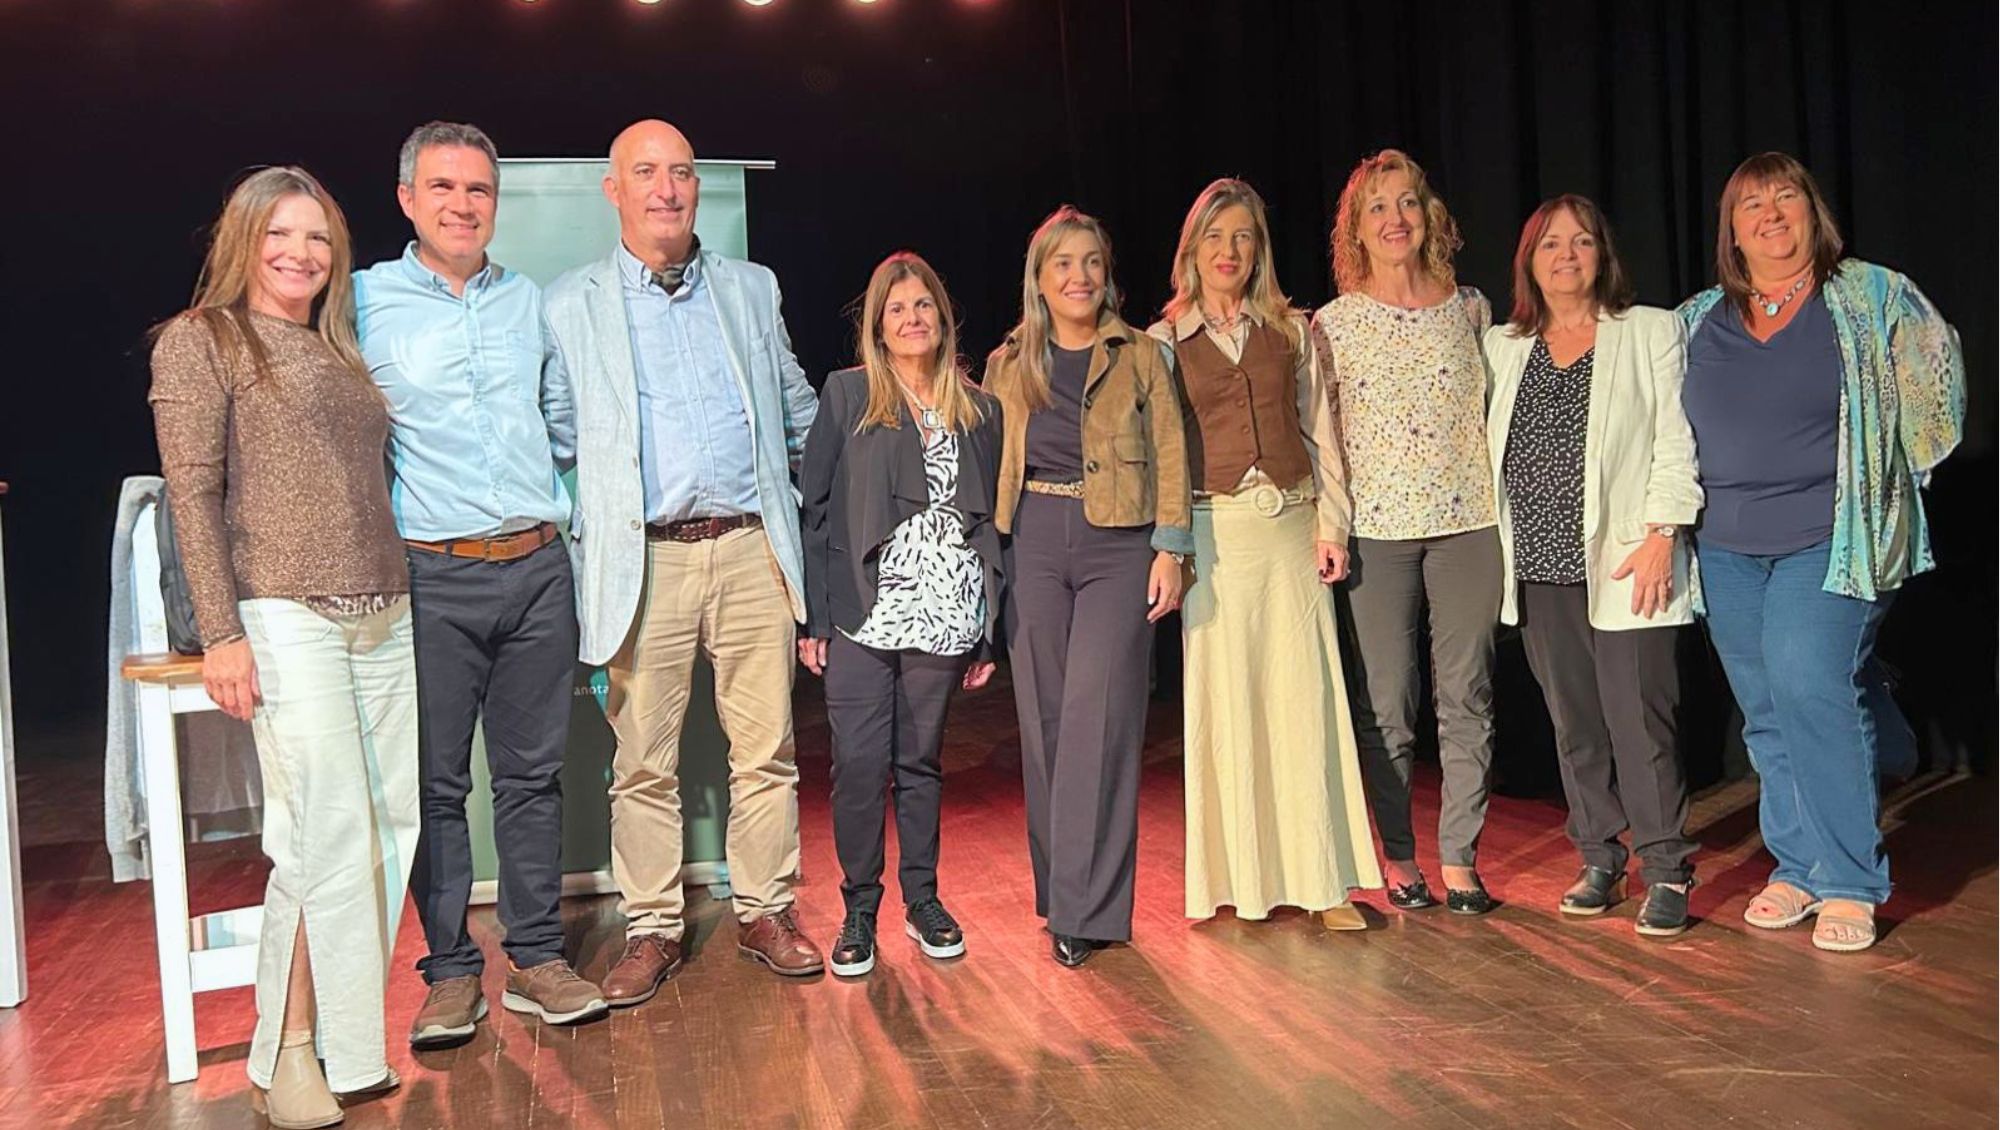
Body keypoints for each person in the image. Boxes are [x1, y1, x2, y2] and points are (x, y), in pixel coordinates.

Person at [149, 166, 416, 1128]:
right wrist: (221, 632)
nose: (301, 254)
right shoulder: (202, 340)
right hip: (283, 611)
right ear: (244, 239)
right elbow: (193, 495)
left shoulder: (339, 353)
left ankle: (343, 1046)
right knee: (322, 835)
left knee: (389, 833)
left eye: (318, 240)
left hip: (385, 608)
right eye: (282, 235)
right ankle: (289, 1047)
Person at [543, 119, 823, 995]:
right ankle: (654, 929)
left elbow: (795, 407)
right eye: (647, 173)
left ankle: (766, 909)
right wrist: (585, 527)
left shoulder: (751, 288)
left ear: (697, 186)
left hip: (749, 551)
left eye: (682, 173)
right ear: (613, 189)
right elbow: (553, 438)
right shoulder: (567, 303)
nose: (667, 188)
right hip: (644, 564)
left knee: (767, 750)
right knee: (642, 762)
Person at [354, 121, 606, 1046]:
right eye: (444, 188)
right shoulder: (364, 301)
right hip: (432, 576)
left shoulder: (525, 301)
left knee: (533, 779)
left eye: (479, 190)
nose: (463, 205)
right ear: (408, 199)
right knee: (435, 786)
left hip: (538, 568)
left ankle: (538, 957)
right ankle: (451, 971)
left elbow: (563, 422)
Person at [1678, 153, 1964, 953]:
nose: (1770, 214)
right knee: (1767, 707)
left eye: (1785, 197)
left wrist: (1895, 483)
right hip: (1727, 547)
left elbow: (1938, 394)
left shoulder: (1870, 295)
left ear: (1813, 212)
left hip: (1831, 540)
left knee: (1807, 681)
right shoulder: (1697, 317)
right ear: (1730, 230)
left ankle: (1848, 879)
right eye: (1750, 205)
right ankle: (1797, 863)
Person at [1145, 179, 1382, 929]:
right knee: (1228, 704)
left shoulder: (1293, 328)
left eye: (1243, 237)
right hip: (1215, 538)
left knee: (1305, 702)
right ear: (1192, 249)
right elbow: (1163, 456)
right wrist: (1170, 548)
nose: (1230, 251)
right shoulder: (1163, 341)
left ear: (1260, 249)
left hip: (1290, 526)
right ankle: (1240, 878)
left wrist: (1333, 528)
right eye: (1215, 237)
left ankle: (1325, 883)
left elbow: (1321, 434)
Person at [1484, 195, 1702, 937]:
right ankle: (1600, 857)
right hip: (1541, 568)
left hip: (1628, 560)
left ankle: (1667, 868)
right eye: (1551, 246)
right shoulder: (1503, 346)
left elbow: (1677, 437)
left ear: (1603, 254)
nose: (1567, 257)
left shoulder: (1648, 331)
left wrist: (1663, 531)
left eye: (1581, 243)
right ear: (1530, 263)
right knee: (1574, 722)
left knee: (1640, 718)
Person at [983, 206, 1192, 967]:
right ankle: (1061, 894)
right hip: (1033, 539)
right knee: (1043, 725)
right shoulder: (1009, 362)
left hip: (1118, 545)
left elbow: (1172, 451)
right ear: (1039, 278)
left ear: (1108, 275)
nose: (1079, 276)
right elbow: (986, 464)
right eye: (1063, 263)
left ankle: (1089, 910)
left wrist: (1171, 549)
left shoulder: (1139, 354)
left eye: (1092, 262)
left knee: (1098, 719)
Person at [798, 252, 1003, 976]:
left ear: (943, 320)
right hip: (863, 612)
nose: (912, 319)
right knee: (858, 766)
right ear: (878, 328)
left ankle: (923, 900)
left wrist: (987, 624)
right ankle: (860, 908)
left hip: (947, 612)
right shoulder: (849, 396)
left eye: (924, 306)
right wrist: (815, 618)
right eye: (897, 309)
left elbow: (986, 526)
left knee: (919, 763)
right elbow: (815, 511)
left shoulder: (981, 410)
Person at [1310, 149, 1502, 915]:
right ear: (1357, 227)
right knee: (1388, 703)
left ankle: (1460, 856)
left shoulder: (1472, 310)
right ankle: (1397, 854)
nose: (1396, 219)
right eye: (1378, 207)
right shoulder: (1332, 325)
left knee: (1469, 694)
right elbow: (1321, 439)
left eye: (1408, 203)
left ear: (1431, 218)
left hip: (1469, 526)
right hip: (1377, 534)